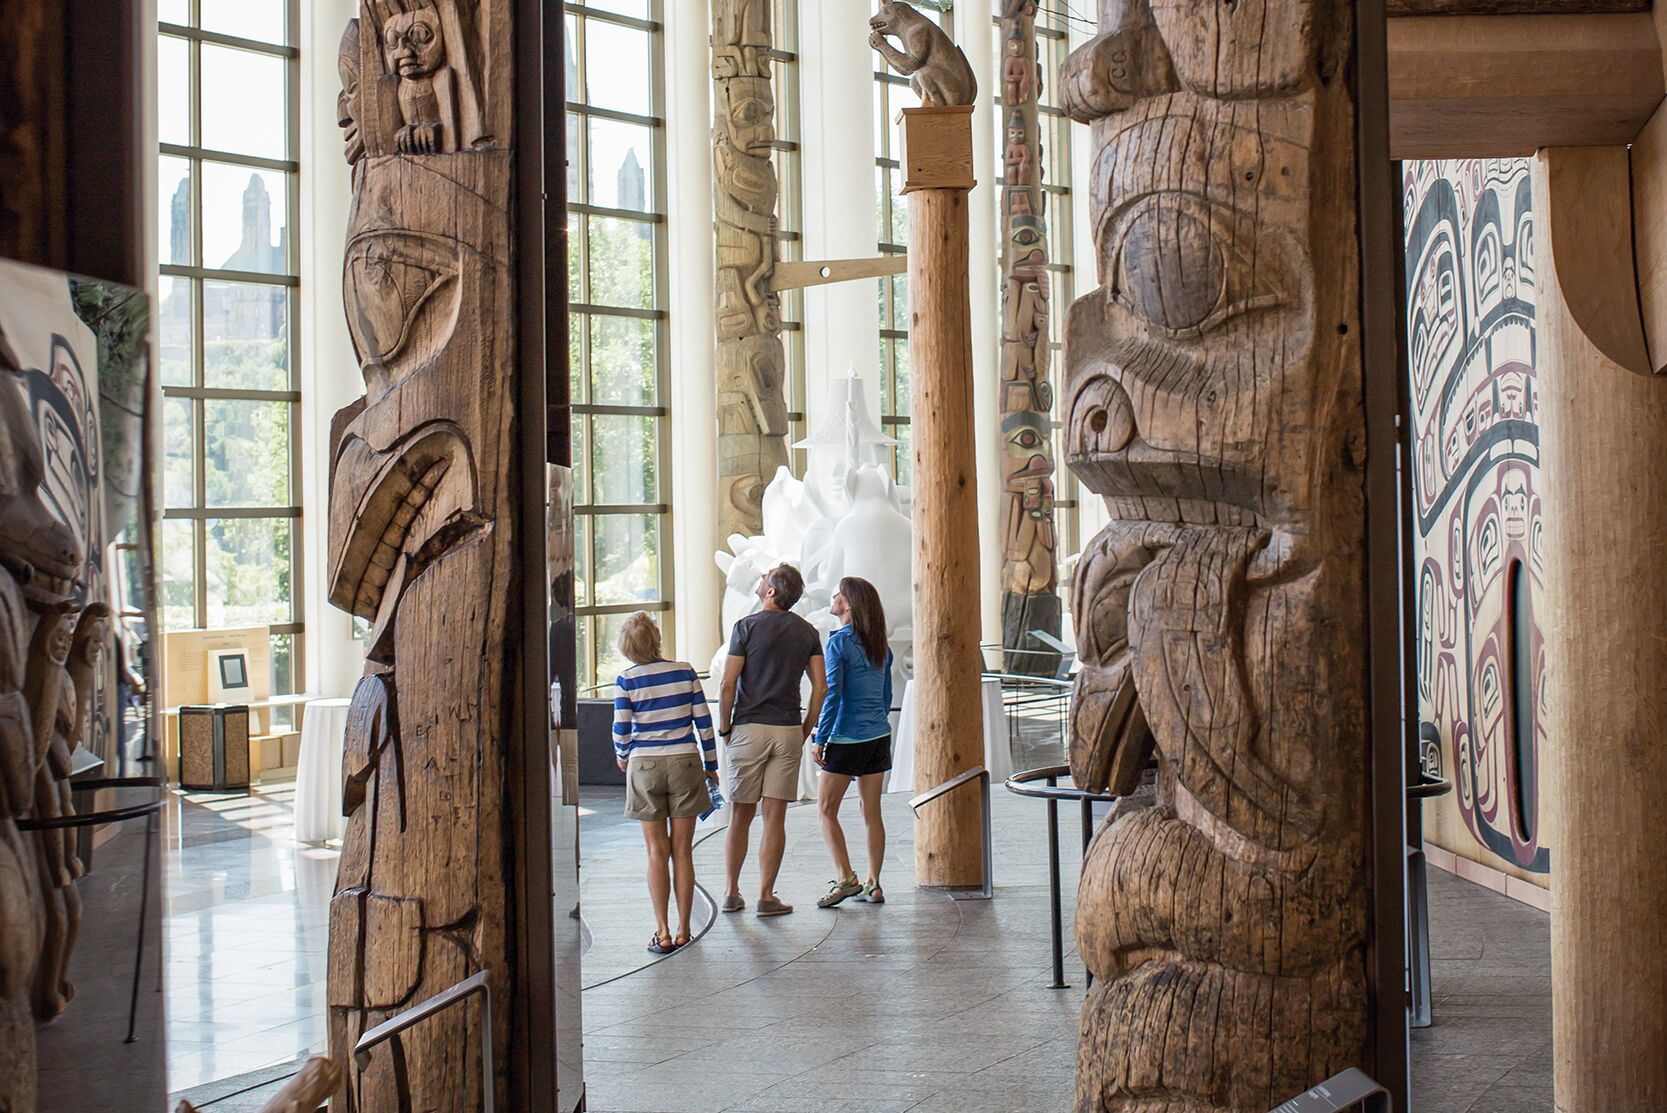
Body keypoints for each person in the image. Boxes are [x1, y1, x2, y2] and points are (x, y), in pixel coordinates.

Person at [717, 564, 825, 916]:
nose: (762, 579)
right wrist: (805, 727)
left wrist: (724, 727)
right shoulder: (807, 631)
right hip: (787, 728)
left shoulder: (745, 627)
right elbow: (821, 687)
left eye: (767, 577)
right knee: (775, 817)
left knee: (740, 816)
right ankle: (766, 896)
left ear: (772, 592)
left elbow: (728, 683)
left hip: (748, 728)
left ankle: (732, 892)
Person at [612, 612, 718, 954]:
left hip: (645, 765)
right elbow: (704, 723)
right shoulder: (685, 671)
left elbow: (621, 728)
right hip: (686, 761)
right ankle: (686, 929)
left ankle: (663, 932)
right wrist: (712, 765)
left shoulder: (626, 680)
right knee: (682, 850)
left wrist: (623, 754)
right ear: (656, 638)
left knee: (657, 852)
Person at [811, 577, 894, 908]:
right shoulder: (879, 645)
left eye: (838, 594)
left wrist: (821, 735)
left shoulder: (838, 643)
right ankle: (874, 883)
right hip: (878, 735)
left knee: (826, 809)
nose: (833, 597)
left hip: (846, 737)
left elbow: (833, 693)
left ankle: (846, 877)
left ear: (848, 604)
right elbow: (886, 694)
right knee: (871, 810)